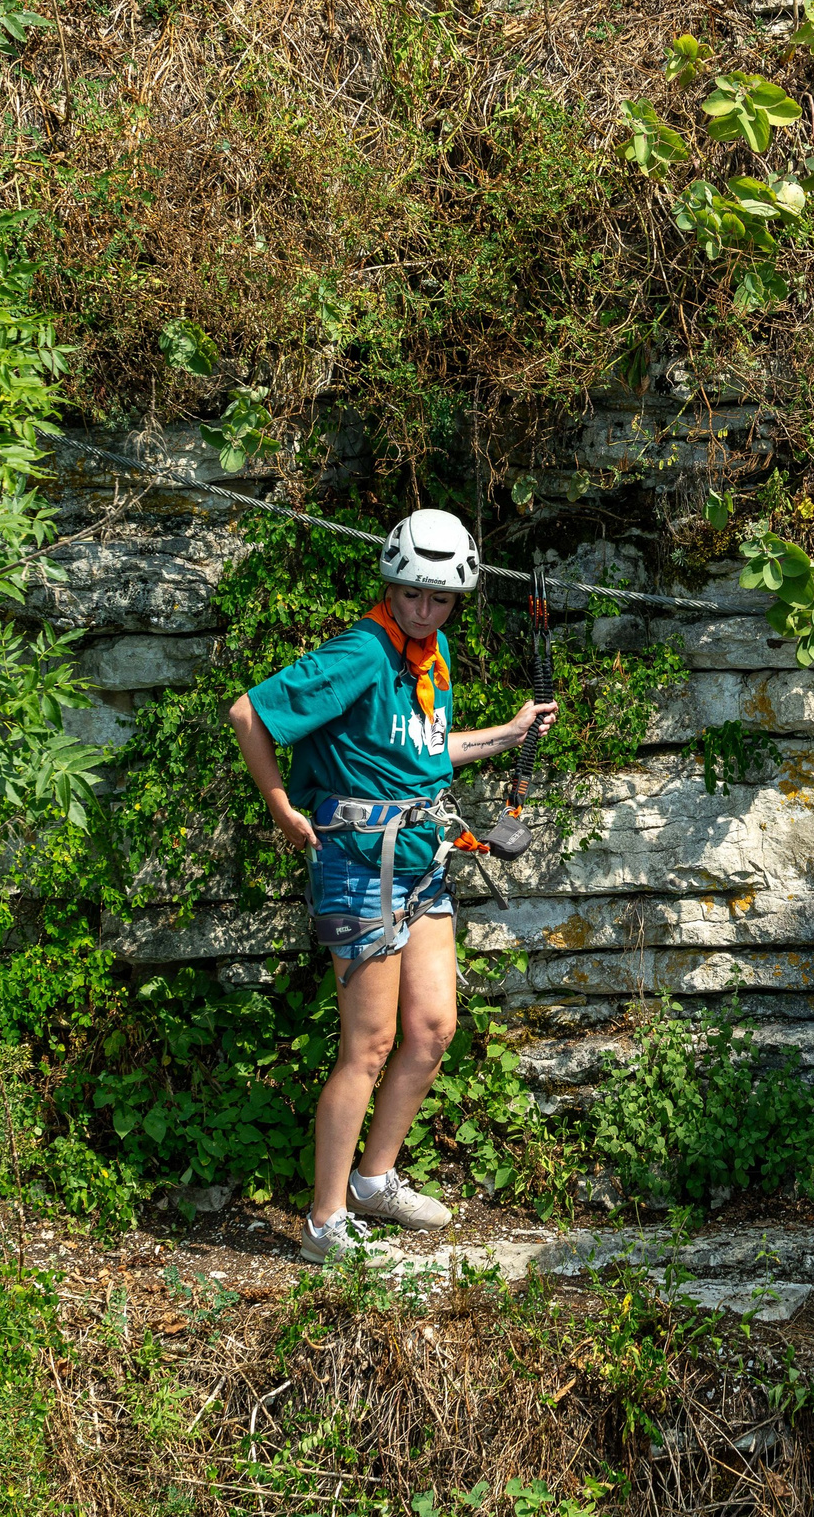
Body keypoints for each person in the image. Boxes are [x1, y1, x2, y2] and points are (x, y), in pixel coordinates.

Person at [226, 508, 558, 1264]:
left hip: (421, 860)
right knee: (368, 1045)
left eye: (440, 599)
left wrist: (508, 734)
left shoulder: (432, 652)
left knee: (433, 1029)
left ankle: (374, 1181)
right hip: (358, 865)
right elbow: (250, 711)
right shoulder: (361, 653)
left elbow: (430, 755)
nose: (425, 610)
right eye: (413, 594)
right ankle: (323, 1222)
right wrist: (280, 806)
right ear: (391, 582)